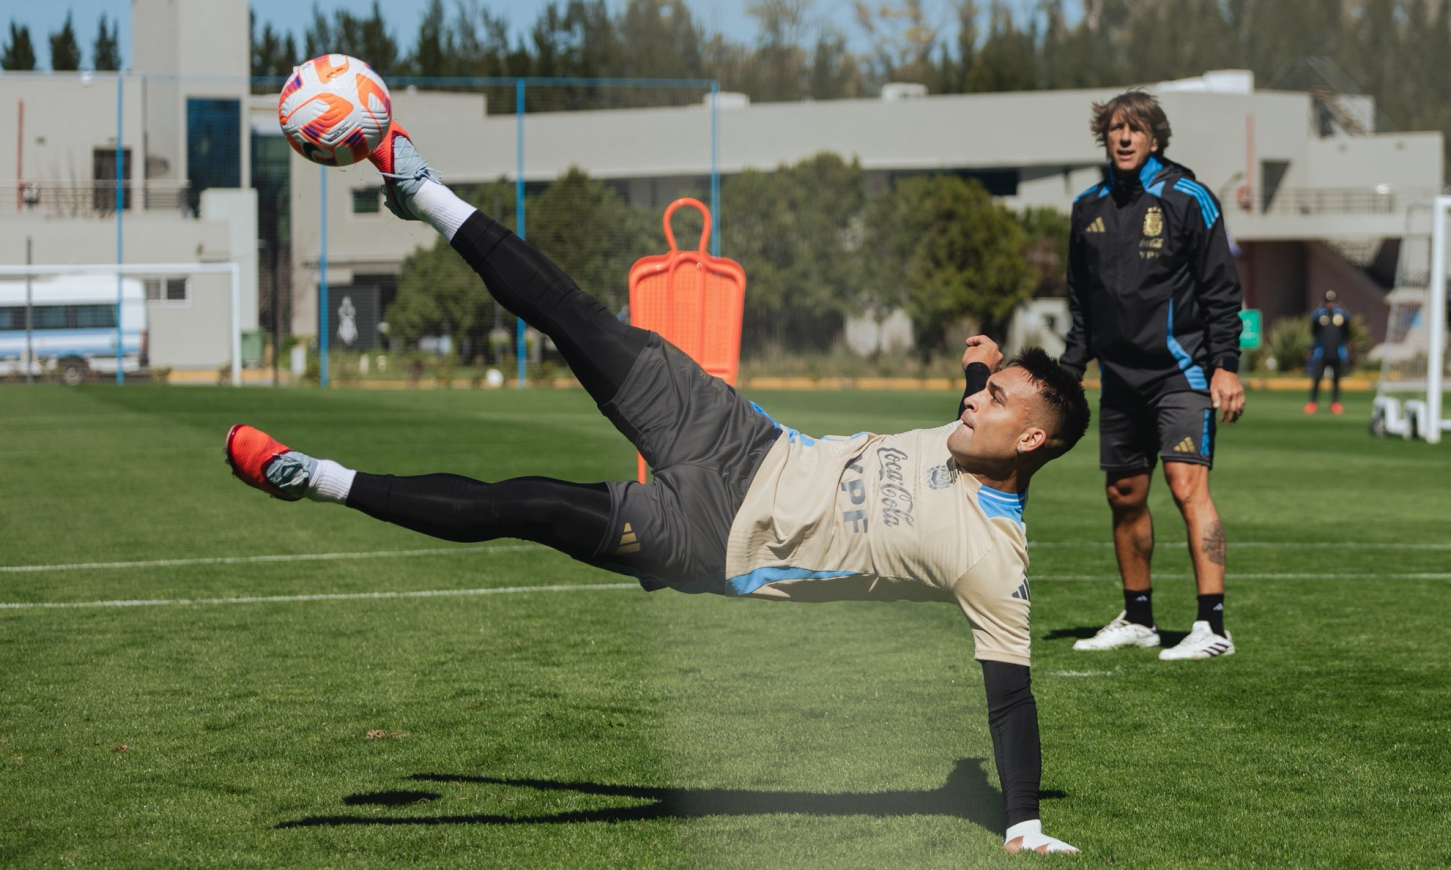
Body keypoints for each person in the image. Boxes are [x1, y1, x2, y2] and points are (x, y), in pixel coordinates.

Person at [225, 122, 1090, 854]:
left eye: (998, 399)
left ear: (1034, 439)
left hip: (711, 538)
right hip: (736, 433)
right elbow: (970, 409)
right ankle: (425, 191)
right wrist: (982, 363)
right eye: (984, 389)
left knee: (530, 505)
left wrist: (1020, 822)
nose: (979, 400)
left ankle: (318, 480)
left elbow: (1009, 697)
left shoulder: (993, 559)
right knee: (581, 320)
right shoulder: (970, 426)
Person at [1060, 90, 1244, 661]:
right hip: (1119, 380)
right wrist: (1068, 372)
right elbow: (1081, 303)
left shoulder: (1190, 198)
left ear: (1155, 138)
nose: (1124, 137)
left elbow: (1221, 291)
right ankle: (1138, 616)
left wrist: (1225, 367)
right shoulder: (1087, 207)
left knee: (1188, 487)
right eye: (1115, 128)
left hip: (1181, 372)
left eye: (1135, 129)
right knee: (1124, 494)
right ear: (1104, 136)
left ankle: (1211, 626)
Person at [1305, 290, 1352, 415]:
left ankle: (1335, 403)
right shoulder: (1319, 315)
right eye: (1328, 302)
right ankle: (1312, 403)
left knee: (1336, 380)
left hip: (1336, 352)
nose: (1330, 304)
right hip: (1321, 352)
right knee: (1317, 378)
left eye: (1332, 302)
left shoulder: (1341, 316)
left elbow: (1347, 331)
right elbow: (1313, 329)